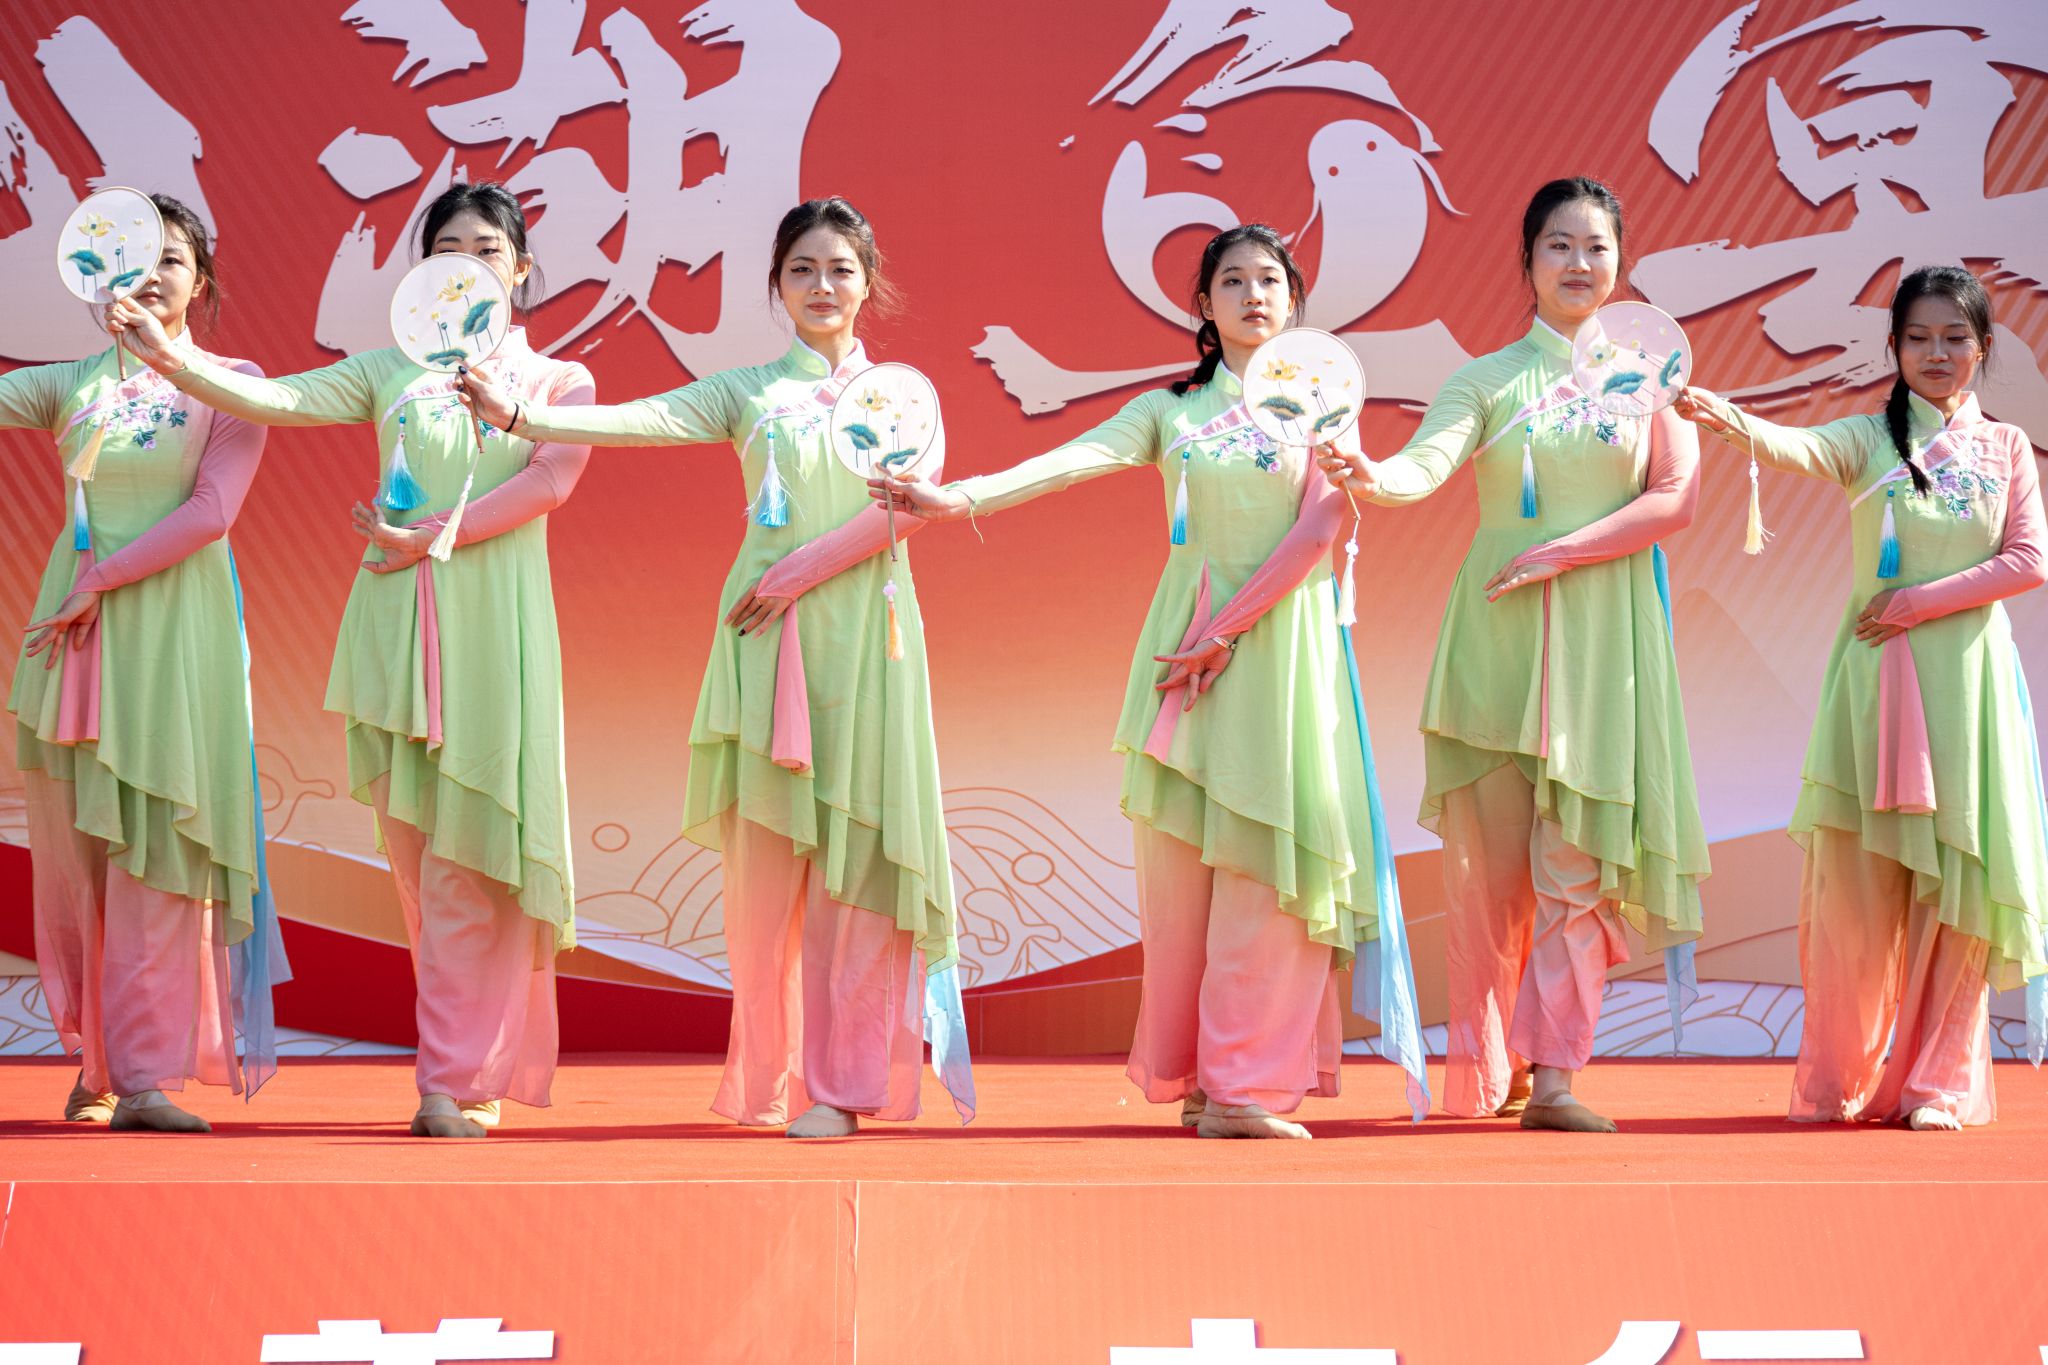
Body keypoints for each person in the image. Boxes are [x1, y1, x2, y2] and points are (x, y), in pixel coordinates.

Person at [871, 224, 1426, 1138]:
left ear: (1295, 301)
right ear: (1202, 305)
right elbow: (1069, 460)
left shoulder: (1325, 403)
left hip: (1280, 649)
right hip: (1185, 652)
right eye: (1233, 281)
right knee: (1185, 884)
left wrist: (1229, 628)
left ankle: (1242, 1085)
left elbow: (1321, 527)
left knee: (1267, 865)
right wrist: (958, 498)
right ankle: (1205, 1079)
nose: (1254, 295)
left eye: (1271, 280)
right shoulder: (1172, 410)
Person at [458, 196, 974, 1137]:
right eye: (802, 270)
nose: (822, 286)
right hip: (764, 645)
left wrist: (797, 572)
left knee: (860, 868)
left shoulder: (904, 393)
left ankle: (843, 1088)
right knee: (766, 885)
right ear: (777, 286)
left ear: (868, 282)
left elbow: (906, 508)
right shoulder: (750, 392)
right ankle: (772, 1078)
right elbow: (643, 419)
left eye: (840, 269)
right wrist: (523, 415)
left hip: (868, 645)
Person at [114, 182, 592, 1139]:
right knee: (423, 860)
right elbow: (277, 398)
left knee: (481, 857)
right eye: (446, 247)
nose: (466, 262)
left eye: (487, 249)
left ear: (520, 269)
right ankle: (458, 1069)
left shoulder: (555, 380)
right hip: (395, 627)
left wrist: (438, 533)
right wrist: (171, 355)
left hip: (495, 635)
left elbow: (551, 479)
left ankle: (454, 1079)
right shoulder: (391, 369)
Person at [1320, 177, 1708, 1132]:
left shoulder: (1649, 375)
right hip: (1496, 644)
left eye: (1596, 247)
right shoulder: (1486, 379)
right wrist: (1370, 473)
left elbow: (1677, 497)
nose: (1579, 263)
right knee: (1495, 888)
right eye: (1558, 246)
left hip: (1604, 645)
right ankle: (1498, 1067)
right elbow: (1422, 468)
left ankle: (1559, 1075)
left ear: (1621, 263)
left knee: (1576, 868)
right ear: (1527, 261)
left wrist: (1565, 551)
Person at [1673, 264, 2048, 1128]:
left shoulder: (2006, 448)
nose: (1936, 353)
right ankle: (1844, 1072)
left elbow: (2028, 560)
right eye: (1917, 338)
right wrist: (1720, 413)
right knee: (1864, 891)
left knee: (1959, 885)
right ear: (1894, 348)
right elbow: (1791, 447)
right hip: (1878, 686)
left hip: (1970, 689)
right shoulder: (1867, 439)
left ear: (1984, 347)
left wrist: (1916, 601)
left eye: (1954, 338)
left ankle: (1938, 1084)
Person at [4, 195, 281, 1133]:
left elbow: (212, 510)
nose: (153, 274)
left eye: (173, 258)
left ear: (201, 281)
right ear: (95, 274)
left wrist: (104, 578)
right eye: (133, 256)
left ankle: (148, 1074)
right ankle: (101, 1065)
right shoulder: (69, 383)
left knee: (162, 855)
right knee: (84, 856)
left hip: (173, 635)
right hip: (77, 637)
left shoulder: (234, 383)